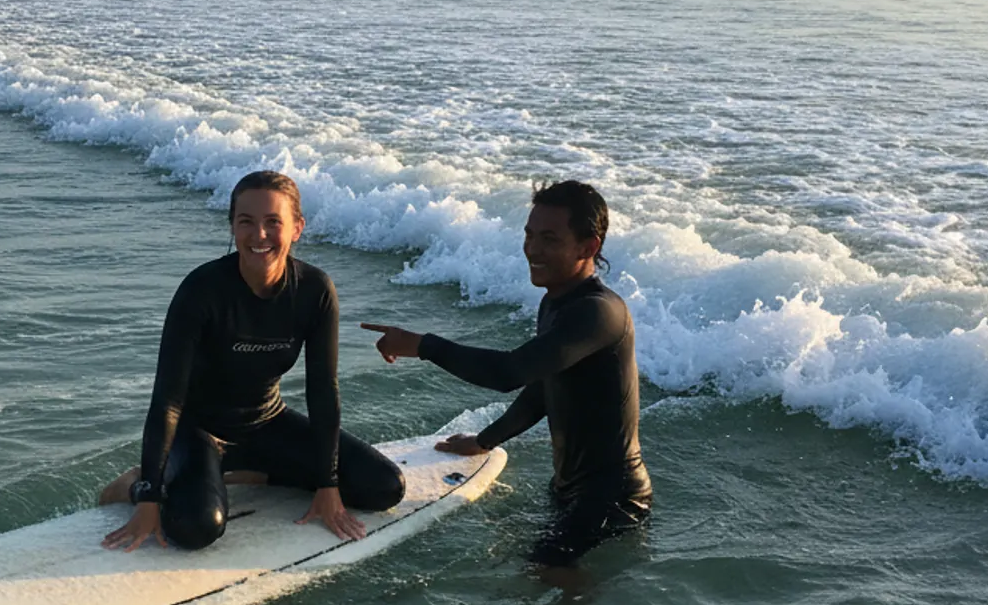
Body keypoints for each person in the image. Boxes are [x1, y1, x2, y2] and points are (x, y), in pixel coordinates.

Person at [101, 170, 405, 552]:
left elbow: (323, 390)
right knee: (196, 528)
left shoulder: (315, 291)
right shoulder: (202, 290)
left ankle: (242, 473)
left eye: (273, 222)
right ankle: (138, 480)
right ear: (232, 226)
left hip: (267, 422)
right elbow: (167, 401)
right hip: (198, 431)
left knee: (383, 487)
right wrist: (147, 495)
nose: (258, 235)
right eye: (246, 222)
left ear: (297, 228)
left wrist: (327, 485)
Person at [362, 180, 651, 580]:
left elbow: (509, 373)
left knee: (542, 577)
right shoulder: (557, 301)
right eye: (530, 235)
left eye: (549, 238)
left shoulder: (599, 313)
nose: (532, 249)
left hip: (613, 497)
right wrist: (485, 440)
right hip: (571, 489)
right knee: (525, 568)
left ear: (589, 247)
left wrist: (423, 345)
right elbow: (541, 390)